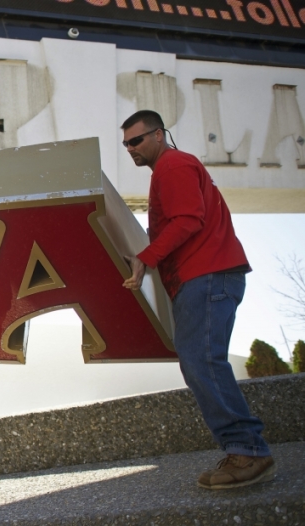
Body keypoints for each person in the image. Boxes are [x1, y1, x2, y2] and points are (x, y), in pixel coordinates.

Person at [120, 110, 275, 490]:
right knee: (198, 362)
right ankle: (243, 448)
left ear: (159, 135)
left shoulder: (173, 165)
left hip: (206, 275)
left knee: (201, 361)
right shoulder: (171, 170)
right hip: (205, 277)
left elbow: (189, 220)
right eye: (125, 144)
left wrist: (146, 257)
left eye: (136, 140)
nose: (130, 149)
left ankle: (248, 451)